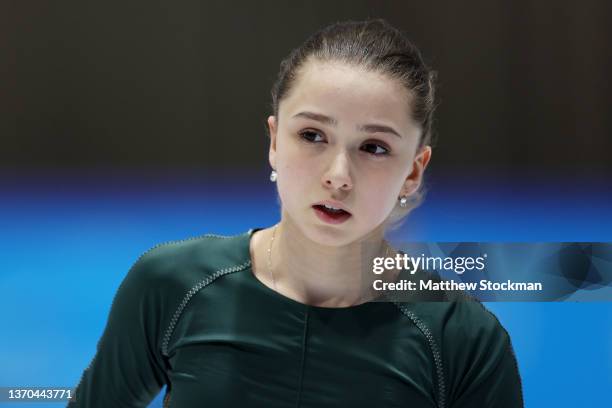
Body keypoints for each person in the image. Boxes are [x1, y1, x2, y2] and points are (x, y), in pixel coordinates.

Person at [68, 18, 523, 407]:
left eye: (374, 147)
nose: (338, 176)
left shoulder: (464, 341)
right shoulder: (170, 286)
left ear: (412, 172)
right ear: (273, 140)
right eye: (312, 135)